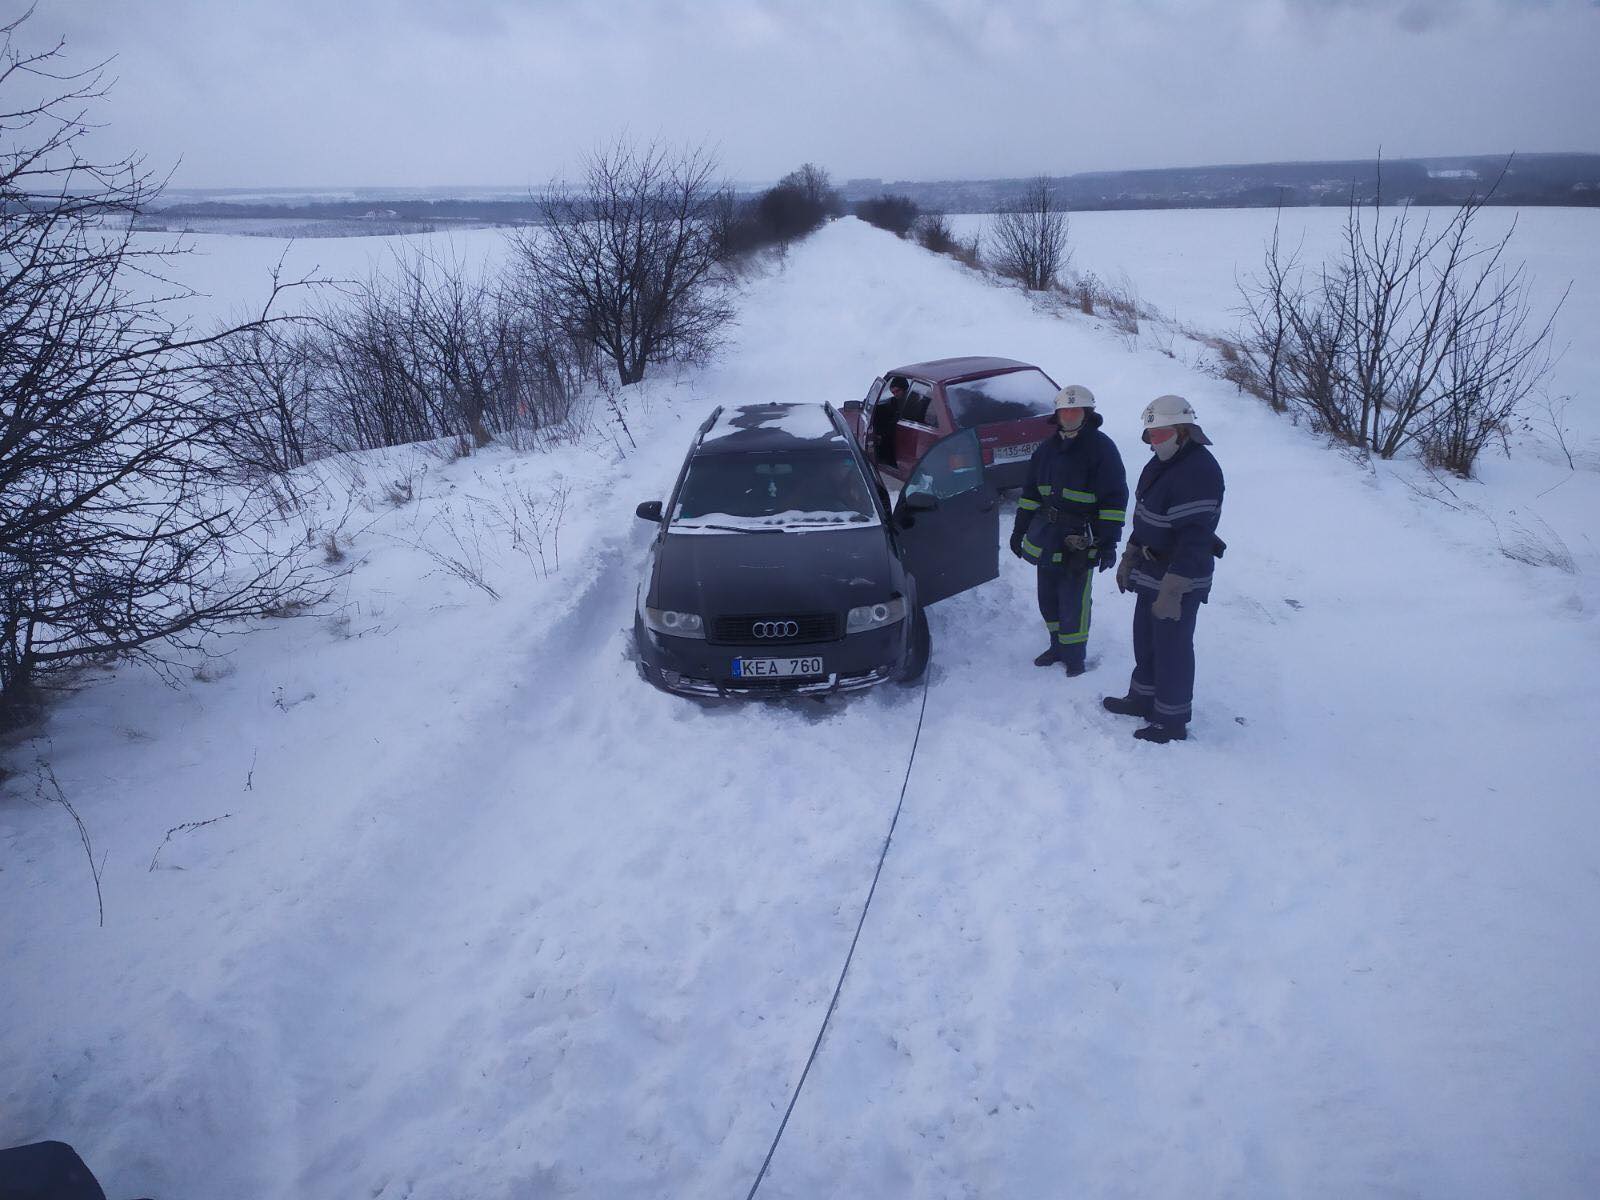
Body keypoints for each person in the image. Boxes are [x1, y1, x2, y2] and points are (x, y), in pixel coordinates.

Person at [1103, 394, 1226, 744]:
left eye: (1160, 434)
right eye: (1150, 435)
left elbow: (1196, 537)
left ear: (1184, 431)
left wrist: (1175, 587)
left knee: (1172, 646)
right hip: (1151, 568)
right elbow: (1145, 516)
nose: (1153, 441)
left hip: (1179, 575)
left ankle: (1171, 720)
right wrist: (1130, 555)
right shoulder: (1160, 463)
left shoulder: (1199, 470)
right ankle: (1143, 699)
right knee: (1146, 638)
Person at [1008, 384, 1128, 676]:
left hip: (1079, 538)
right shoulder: (1046, 450)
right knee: (1047, 596)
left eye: (1076, 410)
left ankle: (1074, 656)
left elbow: (1114, 499)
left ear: (1087, 413)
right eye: (1065, 410)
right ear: (1058, 415)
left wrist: (1108, 542)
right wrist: (1019, 530)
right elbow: (1030, 494)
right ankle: (1056, 646)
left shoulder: (1102, 449)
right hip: (1046, 535)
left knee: (1073, 600)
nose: (1070, 415)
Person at [872, 377, 908, 467]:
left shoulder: (911, 402)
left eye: (897, 391)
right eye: (893, 392)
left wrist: (882, 435)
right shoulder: (895, 401)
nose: (895, 395)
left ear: (905, 389)